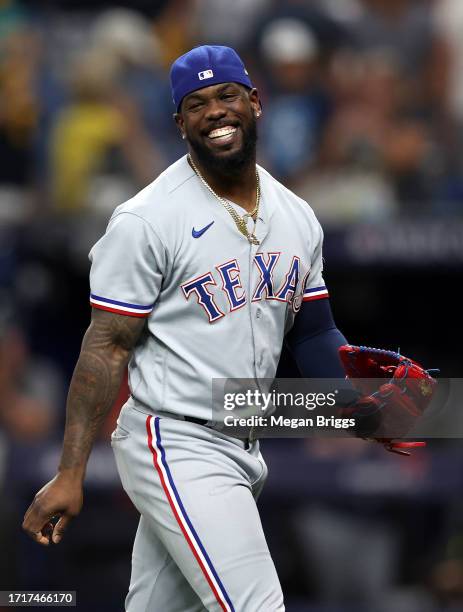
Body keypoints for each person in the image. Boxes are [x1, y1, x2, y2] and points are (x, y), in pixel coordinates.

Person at [23, 45, 368, 611]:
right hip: (176, 438)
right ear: (179, 123)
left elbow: (313, 334)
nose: (215, 112)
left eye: (227, 96)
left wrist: (361, 404)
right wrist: (69, 472)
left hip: (243, 436)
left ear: (254, 102)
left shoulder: (296, 215)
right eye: (197, 103)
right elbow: (105, 348)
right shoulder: (147, 219)